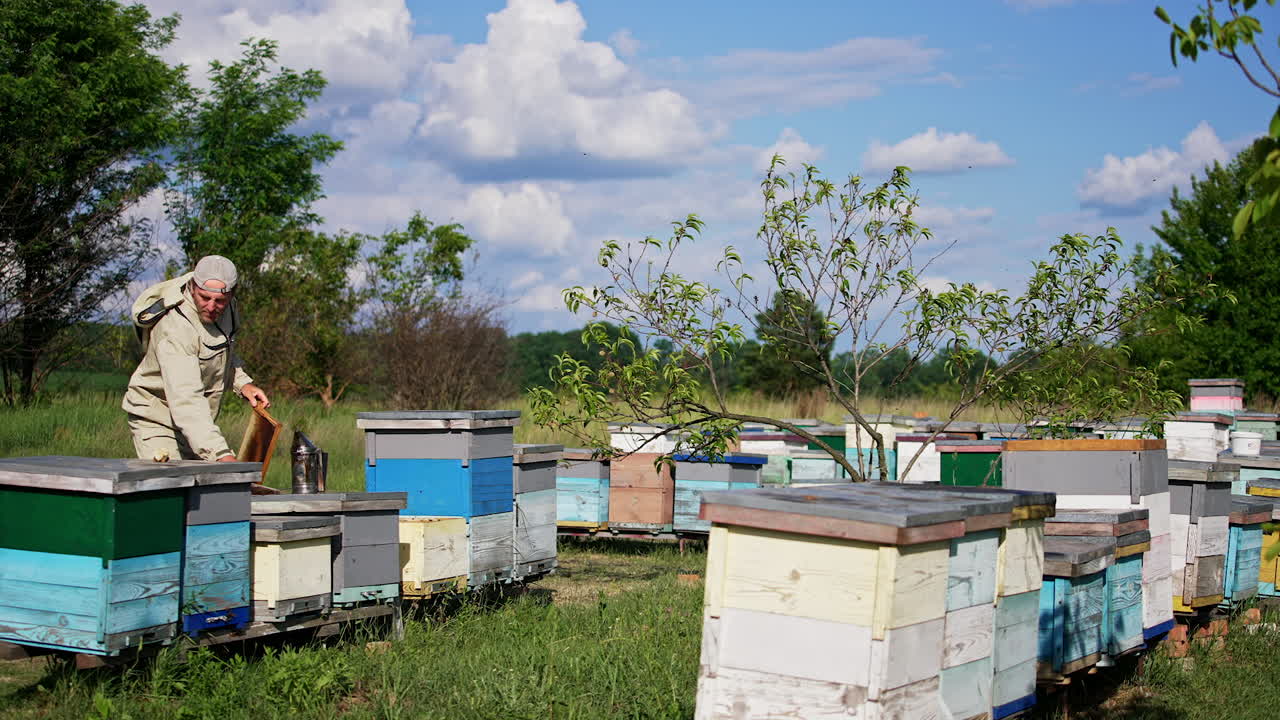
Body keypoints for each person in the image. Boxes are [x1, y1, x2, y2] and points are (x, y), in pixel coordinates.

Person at [122, 255, 270, 462]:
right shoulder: (175, 328)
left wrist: (242, 383)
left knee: (202, 490)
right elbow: (186, 398)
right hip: (158, 421)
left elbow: (222, 348)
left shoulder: (228, 309)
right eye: (204, 298)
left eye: (219, 301)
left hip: (195, 424)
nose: (211, 306)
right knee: (174, 489)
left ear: (232, 294)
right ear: (192, 287)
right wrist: (220, 455)